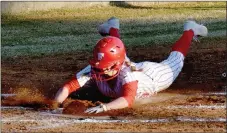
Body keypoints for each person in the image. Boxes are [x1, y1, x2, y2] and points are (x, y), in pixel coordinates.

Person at [54, 17, 208, 114]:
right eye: (100, 65)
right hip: (124, 63)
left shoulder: (127, 74)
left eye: (106, 66)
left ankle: (190, 29)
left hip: (152, 76)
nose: (102, 69)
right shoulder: (97, 66)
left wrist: (105, 107)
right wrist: (55, 104)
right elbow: (67, 87)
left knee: (176, 60)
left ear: (116, 64)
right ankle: (112, 27)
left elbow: (127, 100)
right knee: (116, 49)